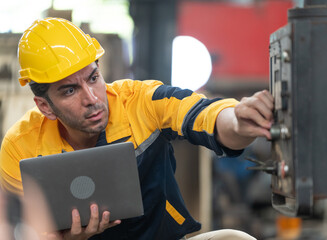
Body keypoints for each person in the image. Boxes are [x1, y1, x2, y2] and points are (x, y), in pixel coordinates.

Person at [0, 18, 274, 240]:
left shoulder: (140, 101)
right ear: (44, 106)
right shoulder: (20, 149)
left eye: (93, 77)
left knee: (236, 239)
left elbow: (206, 115)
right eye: (70, 90)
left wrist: (237, 120)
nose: (92, 98)